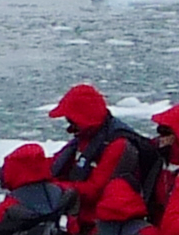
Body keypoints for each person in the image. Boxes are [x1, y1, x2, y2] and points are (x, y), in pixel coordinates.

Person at [46, 84, 158, 226]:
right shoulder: (86, 138)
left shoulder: (118, 145)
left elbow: (95, 191)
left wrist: (54, 187)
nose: (69, 128)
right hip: (80, 221)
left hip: (105, 227)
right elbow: (56, 163)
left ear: (84, 118)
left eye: (72, 121)